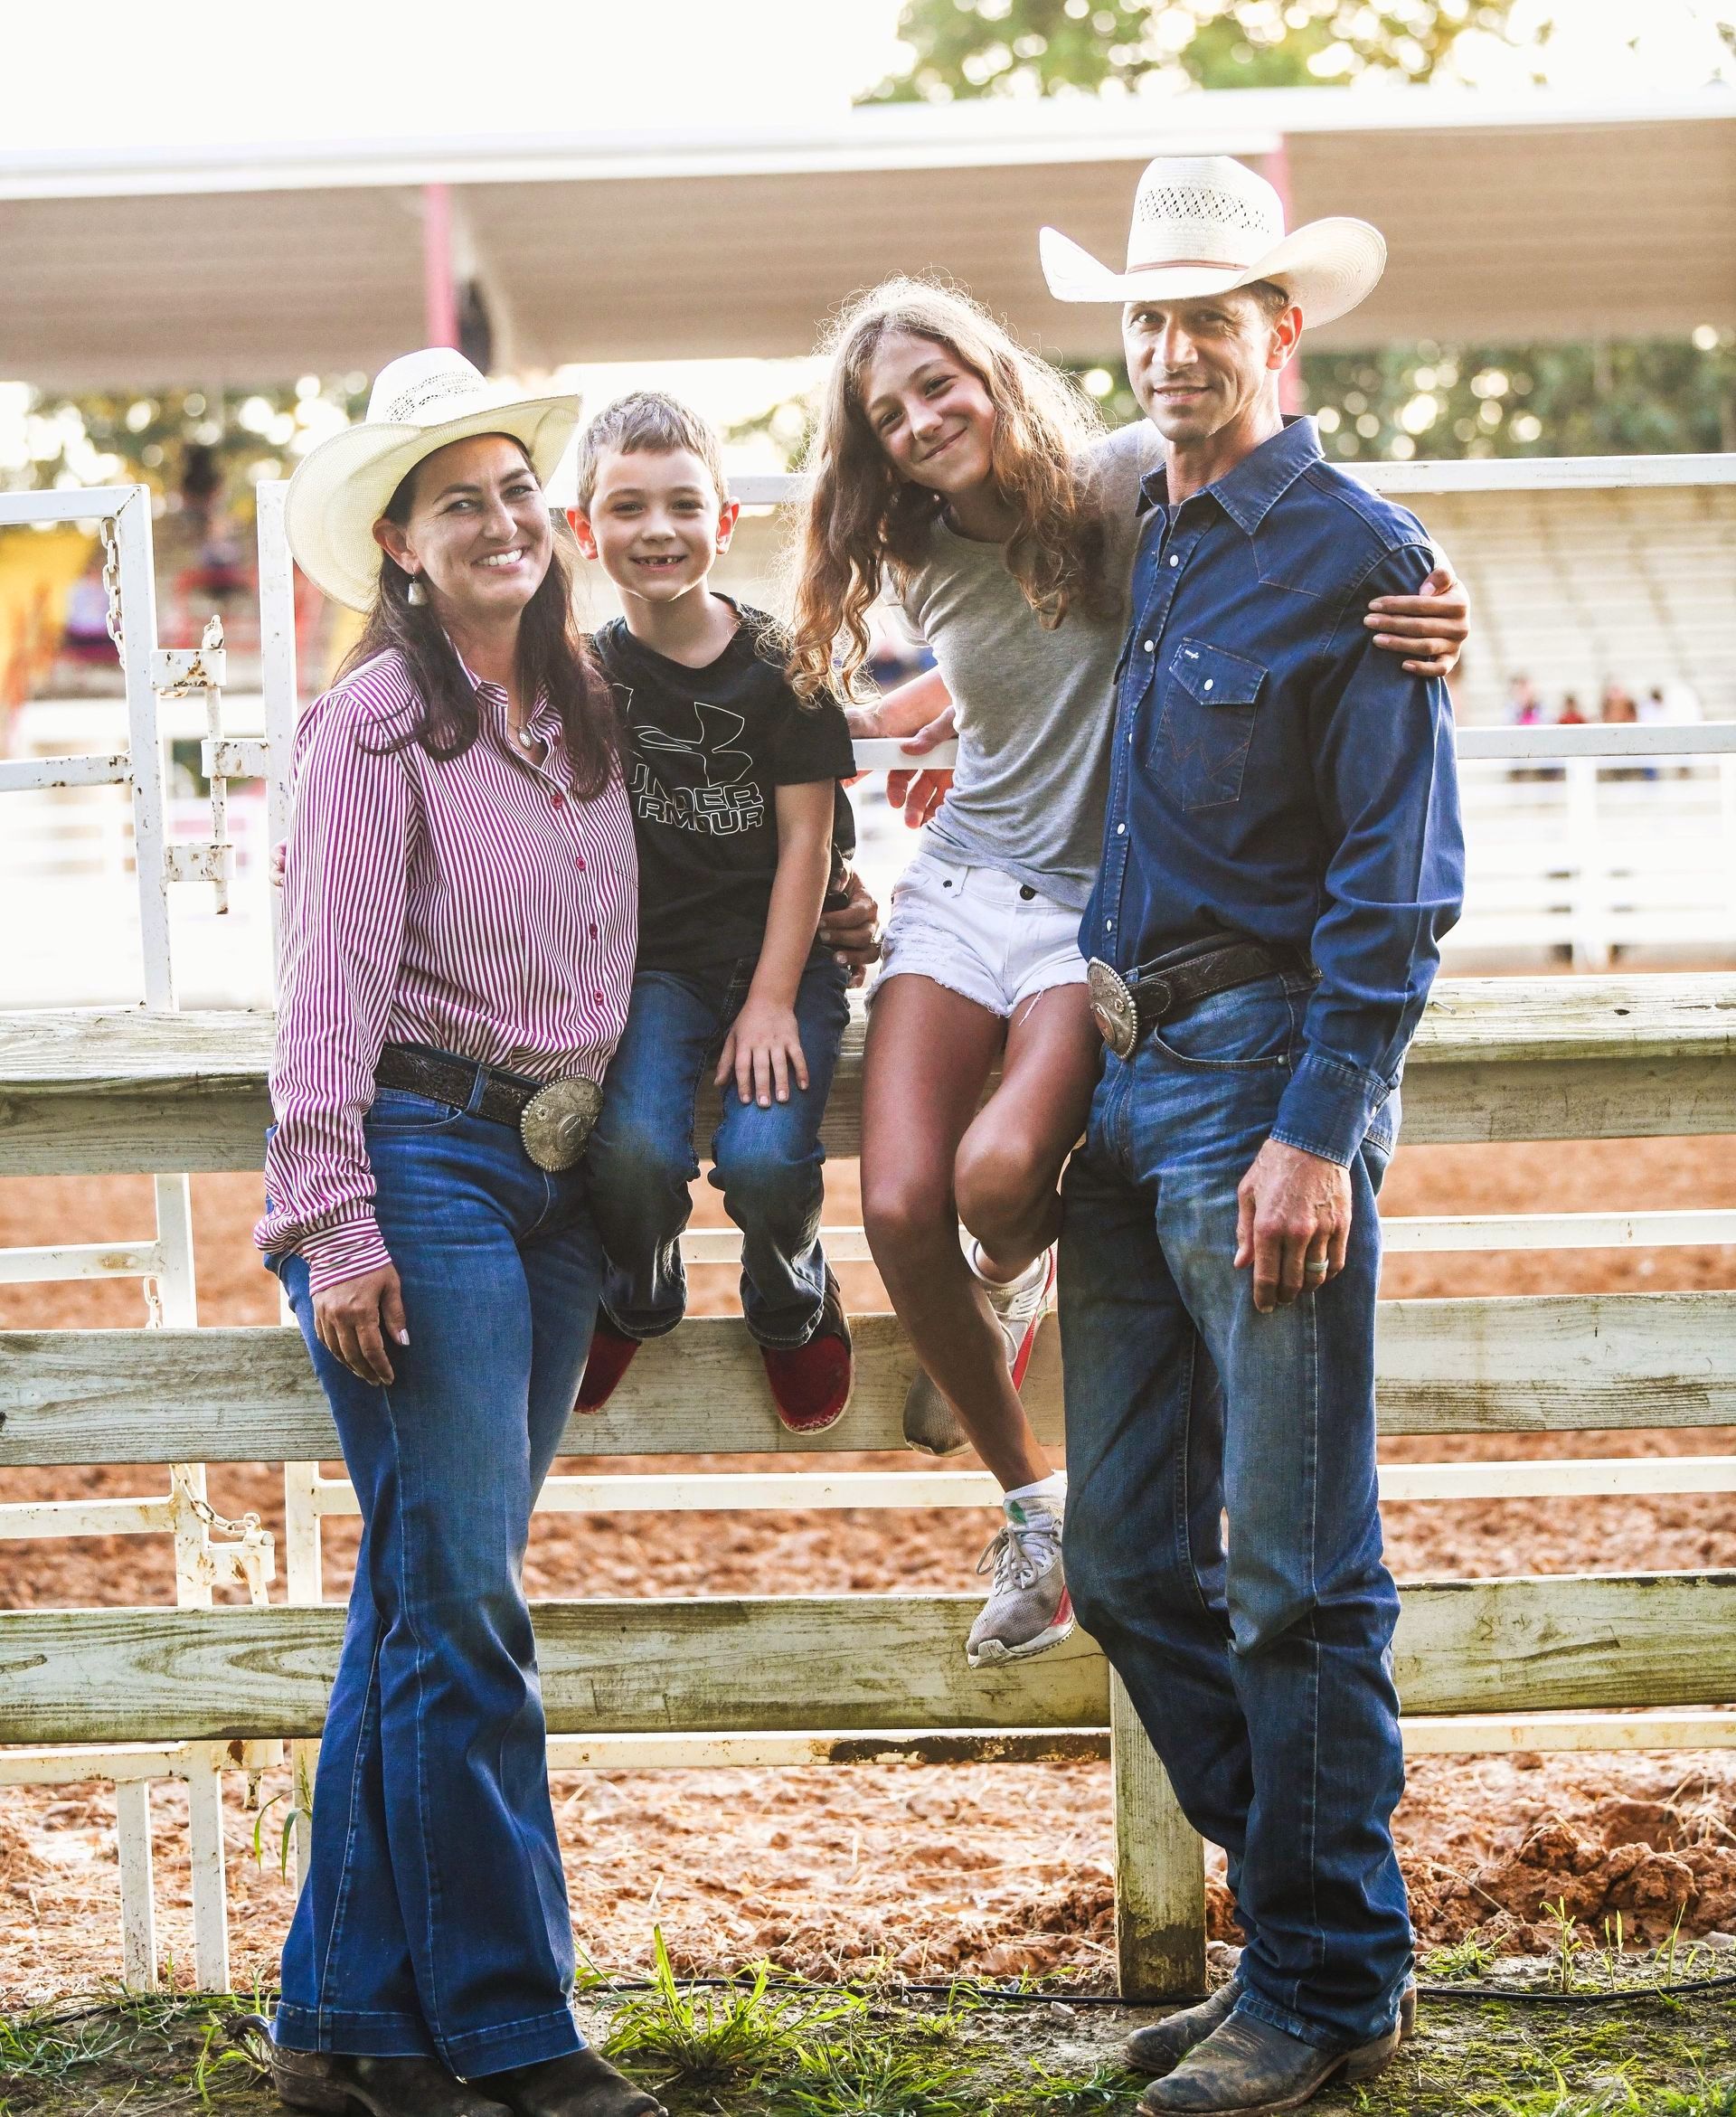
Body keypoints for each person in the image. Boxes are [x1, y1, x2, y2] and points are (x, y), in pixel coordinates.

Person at [788, 279, 1467, 1669]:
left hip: (1090, 909)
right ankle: (1033, 1507)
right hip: (964, 880)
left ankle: (1017, 1261)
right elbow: (1003, 666)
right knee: (901, 1196)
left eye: (941, 385)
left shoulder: (1115, 478)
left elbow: (1313, 526)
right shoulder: (905, 535)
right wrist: (932, 725)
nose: (922, 421)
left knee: (993, 1181)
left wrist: (1445, 599)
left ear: (993, 371)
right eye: (889, 413)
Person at [1043, 157, 1461, 2112]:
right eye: (1148, 319)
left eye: (1208, 319)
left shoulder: (1365, 552)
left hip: (1264, 1085)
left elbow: (1400, 881)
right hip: (1122, 1090)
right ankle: (1314, 1930)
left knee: (1298, 1563)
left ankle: (1322, 1975)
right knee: (1126, 1555)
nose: (1171, 349)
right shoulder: (1152, 529)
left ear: (1280, 336)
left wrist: (1323, 1123)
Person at [251, 348, 662, 2117]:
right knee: (466, 1602)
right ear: (404, 549)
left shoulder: (594, 703)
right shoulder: (371, 729)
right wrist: (335, 1218)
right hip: (417, 1165)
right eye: (455, 502)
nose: (498, 519)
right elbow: (325, 986)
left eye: (512, 489)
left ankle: (341, 2022)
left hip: (562, 1188)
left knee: (428, 1596)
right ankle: (509, 2027)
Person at [570, 392, 857, 1432]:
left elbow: (806, 843)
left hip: (782, 961)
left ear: (724, 520)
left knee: (766, 1158)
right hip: (652, 970)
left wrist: (775, 998)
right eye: (628, 507)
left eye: (684, 505)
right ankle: (638, 1289)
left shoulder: (788, 666)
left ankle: (790, 1293)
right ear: (584, 529)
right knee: (636, 1151)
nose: (657, 530)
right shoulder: (585, 676)